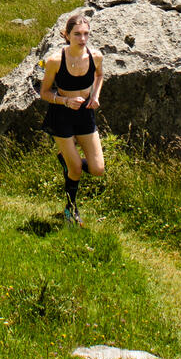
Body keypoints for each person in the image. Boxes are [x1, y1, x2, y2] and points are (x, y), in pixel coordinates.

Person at [39, 12, 106, 224]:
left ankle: (66, 159)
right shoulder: (55, 60)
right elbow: (44, 93)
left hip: (85, 113)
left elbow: (100, 75)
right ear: (67, 35)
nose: (83, 39)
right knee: (76, 168)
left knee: (97, 169)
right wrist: (65, 101)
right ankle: (71, 208)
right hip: (61, 115)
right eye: (77, 34)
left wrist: (95, 96)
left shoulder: (95, 56)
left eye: (86, 34)